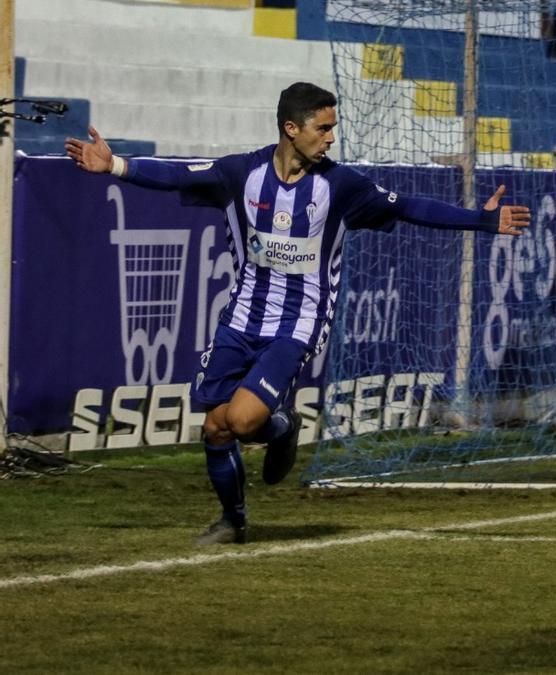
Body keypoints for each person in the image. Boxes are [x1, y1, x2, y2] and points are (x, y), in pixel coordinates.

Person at [65, 82, 531, 545]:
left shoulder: (341, 186)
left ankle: (282, 426)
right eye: (323, 128)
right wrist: (115, 166)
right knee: (214, 427)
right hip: (241, 318)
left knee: (244, 421)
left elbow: (408, 206)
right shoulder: (240, 174)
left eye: (333, 128)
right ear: (292, 128)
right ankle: (233, 520)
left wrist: (481, 220)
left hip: (299, 323)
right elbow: (180, 175)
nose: (331, 137)